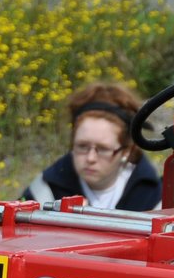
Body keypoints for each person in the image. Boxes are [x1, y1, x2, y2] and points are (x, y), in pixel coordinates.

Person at [23, 81, 161, 210]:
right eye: (82, 146)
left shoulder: (152, 196)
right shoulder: (43, 192)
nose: (90, 158)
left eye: (103, 149)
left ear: (126, 151)